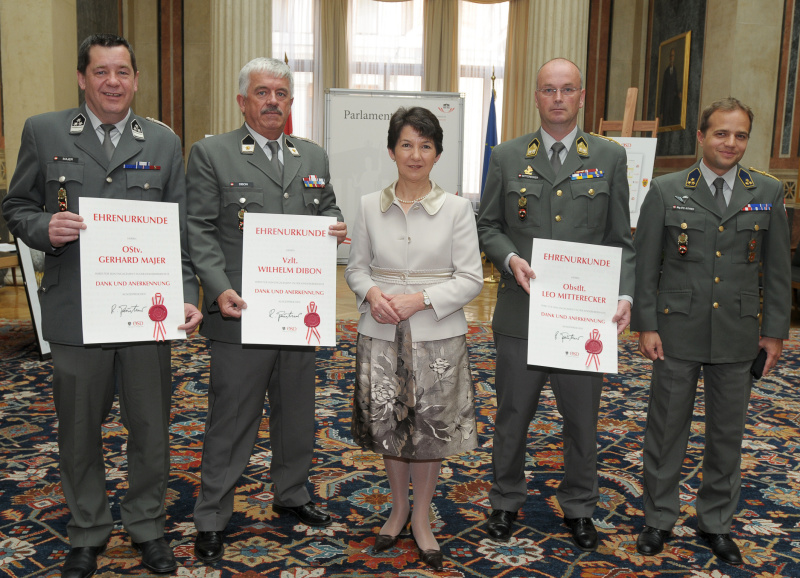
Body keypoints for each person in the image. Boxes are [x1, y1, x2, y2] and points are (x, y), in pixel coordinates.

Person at [1, 34, 202, 577]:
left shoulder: (162, 141)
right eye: (101, 72)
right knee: (78, 430)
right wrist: (44, 226)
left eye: (122, 72)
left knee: (150, 428)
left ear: (136, 79)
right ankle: (87, 530)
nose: (112, 82)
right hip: (76, 312)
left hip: (146, 313)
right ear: (82, 78)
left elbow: (180, 230)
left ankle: (147, 526)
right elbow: (16, 204)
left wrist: (187, 296)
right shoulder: (44, 131)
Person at [186, 57, 347, 563]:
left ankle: (292, 493)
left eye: (281, 93)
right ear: (242, 101)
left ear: (291, 101)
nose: (272, 101)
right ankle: (213, 514)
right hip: (240, 311)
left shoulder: (312, 154)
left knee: (296, 413)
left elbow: (328, 208)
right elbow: (199, 229)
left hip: (299, 312)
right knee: (232, 417)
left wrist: (336, 224)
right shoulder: (212, 154)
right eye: (262, 92)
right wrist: (217, 289)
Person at [476, 58, 635, 550]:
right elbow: (488, 226)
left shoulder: (609, 157)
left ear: (582, 96)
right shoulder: (506, 156)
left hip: (585, 319)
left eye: (568, 89)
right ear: (537, 96)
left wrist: (625, 294)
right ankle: (505, 500)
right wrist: (510, 260)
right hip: (521, 315)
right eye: (549, 89)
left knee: (582, 420)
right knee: (512, 415)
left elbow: (620, 239)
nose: (559, 98)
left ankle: (580, 506)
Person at [632, 97, 791, 566]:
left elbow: (776, 269)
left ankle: (716, 522)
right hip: (676, 330)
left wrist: (774, 332)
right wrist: (646, 324)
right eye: (721, 133)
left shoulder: (766, 190)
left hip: (737, 333)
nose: (731, 143)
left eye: (740, 135)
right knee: (666, 431)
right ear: (701, 137)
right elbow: (646, 264)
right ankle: (659, 518)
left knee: (727, 435)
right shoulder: (666, 189)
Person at [345, 106, 483, 572]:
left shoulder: (458, 209)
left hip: (437, 337)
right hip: (381, 332)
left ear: (437, 153)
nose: (416, 154)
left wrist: (420, 299)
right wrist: (372, 293)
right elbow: (356, 269)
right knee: (390, 426)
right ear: (391, 151)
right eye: (406, 144)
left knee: (428, 431)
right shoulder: (369, 205)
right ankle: (397, 509)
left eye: (426, 146)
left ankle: (421, 518)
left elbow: (471, 278)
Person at [659, 48, 682, 127]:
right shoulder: (666, 72)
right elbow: (663, 91)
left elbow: (675, 86)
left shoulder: (675, 70)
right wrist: (661, 111)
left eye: (673, 56)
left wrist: (678, 93)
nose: (672, 58)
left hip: (673, 103)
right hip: (666, 104)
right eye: (671, 56)